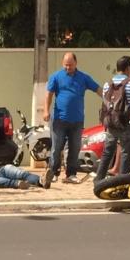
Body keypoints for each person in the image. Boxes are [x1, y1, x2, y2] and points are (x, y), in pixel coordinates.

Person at [43, 52, 102, 186]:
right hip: (59, 119)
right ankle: (53, 173)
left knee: (75, 148)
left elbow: (97, 89)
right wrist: (46, 111)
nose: (67, 67)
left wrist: (109, 99)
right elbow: (48, 95)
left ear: (76, 63)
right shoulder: (56, 77)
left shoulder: (83, 78)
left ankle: (71, 174)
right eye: (65, 65)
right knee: (57, 148)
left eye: (70, 65)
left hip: (77, 120)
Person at [95, 56, 130, 180]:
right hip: (126, 123)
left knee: (108, 152)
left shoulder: (107, 84)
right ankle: (122, 182)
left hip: (111, 123)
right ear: (128, 68)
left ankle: (99, 179)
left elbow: (105, 102)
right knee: (126, 153)